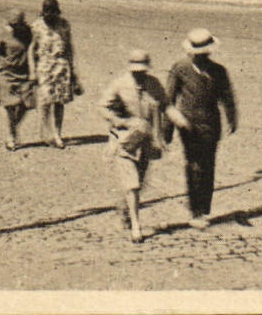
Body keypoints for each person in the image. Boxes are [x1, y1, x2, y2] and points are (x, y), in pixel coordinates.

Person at [165, 28, 238, 230]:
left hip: (211, 123)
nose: (202, 58)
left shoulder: (219, 71)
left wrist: (232, 119)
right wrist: (167, 130)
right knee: (194, 165)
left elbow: (227, 97)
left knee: (208, 166)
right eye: (199, 55)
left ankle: (204, 209)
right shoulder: (179, 69)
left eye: (205, 54)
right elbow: (168, 100)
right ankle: (195, 212)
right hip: (187, 124)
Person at [99, 49, 171, 243]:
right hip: (124, 141)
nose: (139, 74)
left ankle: (125, 212)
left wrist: (164, 134)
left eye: (142, 71)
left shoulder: (154, 84)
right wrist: (121, 121)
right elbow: (103, 107)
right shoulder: (120, 84)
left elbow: (164, 106)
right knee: (133, 184)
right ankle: (136, 227)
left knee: (138, 181)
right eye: (136, 71)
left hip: (145, 142)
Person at [0, 10, 35, 151]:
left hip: (24, 73)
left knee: (26, 104)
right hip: (6, 73)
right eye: (13, 24)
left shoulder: (29, 33)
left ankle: (13, 129)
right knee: (10, 105)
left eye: (19, 23)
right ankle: (11, 135)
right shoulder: (4, 33)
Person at [28, 0, 80, 149]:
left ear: (57, 12)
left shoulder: (64, 25)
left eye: (53, 12)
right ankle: (46, 133)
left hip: (61, 67)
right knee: (44, 102)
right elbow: (31, 49)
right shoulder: (36, 26)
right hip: (44, 67)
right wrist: (32, 71)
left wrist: (73, 69)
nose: (50, 15)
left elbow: (69, 47)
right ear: (43, 12)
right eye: (47, 12)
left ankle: (57, 134)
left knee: (59, 102)